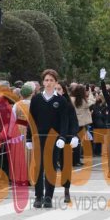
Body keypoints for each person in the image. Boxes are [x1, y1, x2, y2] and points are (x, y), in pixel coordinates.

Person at [26, 70, 77, 209]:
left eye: (51, 80)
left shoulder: (61, 100)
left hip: (53, 139)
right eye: (46, 80)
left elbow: (64, 121)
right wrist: (29, 138)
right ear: (43, 82)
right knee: (38, 167)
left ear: (56, 82)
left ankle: (48, 197)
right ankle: (38, 196)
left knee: (50, 167)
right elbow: (31, 119)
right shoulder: (36, 99)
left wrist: (62, 137)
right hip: (39, 138)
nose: (48, 83)